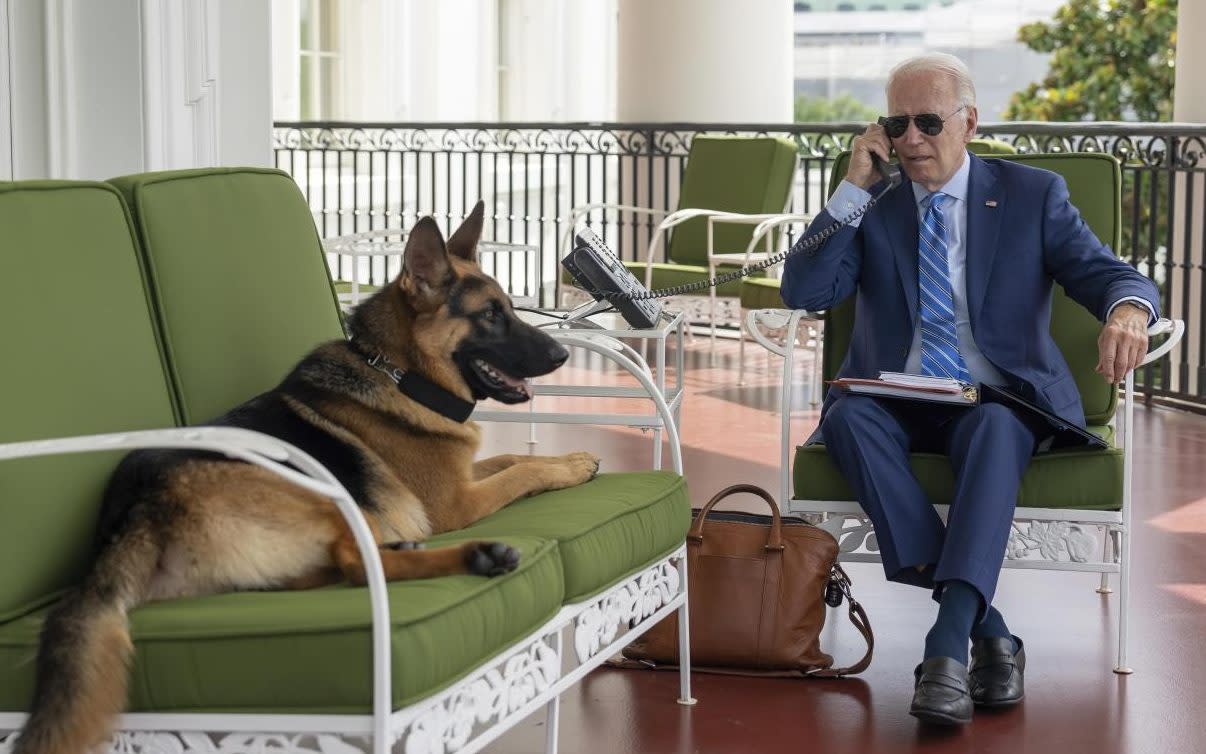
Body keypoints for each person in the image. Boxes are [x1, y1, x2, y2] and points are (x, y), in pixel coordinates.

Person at [779, 52, 1158, 726]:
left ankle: (946, 642)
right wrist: (850, 187)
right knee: (847, 420)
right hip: (893, 397)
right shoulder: (875, 205)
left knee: (994, 427)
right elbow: (805, 290)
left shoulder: (1031, 194)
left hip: (995, 397)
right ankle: (989, 634)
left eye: (928, 121)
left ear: (969, 122)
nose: (912, 139)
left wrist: (1129, 310)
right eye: (897, 124)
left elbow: (1106, 274)